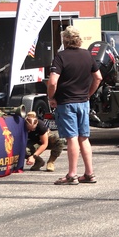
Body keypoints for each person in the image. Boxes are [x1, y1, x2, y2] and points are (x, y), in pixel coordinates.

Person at [48, 26, 102, 185]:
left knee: (72, 138)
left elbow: (52, 81)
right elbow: (98, 77)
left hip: (66, 103)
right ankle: (89, 173)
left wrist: (51, 97)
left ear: (64, 40)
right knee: (84, 138)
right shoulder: (88, 55)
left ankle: (72, 175)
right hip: (83, 103)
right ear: (79, 40)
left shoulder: (60, 57)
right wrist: (89, 94)